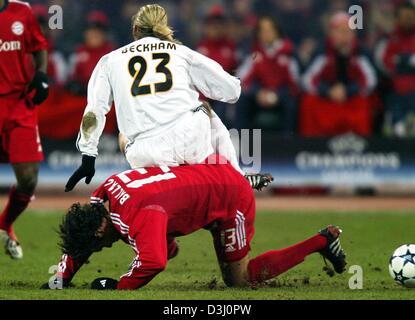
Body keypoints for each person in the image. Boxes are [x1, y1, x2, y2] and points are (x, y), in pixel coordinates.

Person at [43, 156, 346, 290]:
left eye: (96, 244)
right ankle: (237, 182)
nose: (97, 249)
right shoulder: (104, 193)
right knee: (145, 235)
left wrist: (120, 286)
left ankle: (322, 240)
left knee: (239, 279)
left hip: (230, 200)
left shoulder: (137, 215)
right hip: (208, 174)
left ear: (100, 228)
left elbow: (153, 262)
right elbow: (87, 236)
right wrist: (62, 277)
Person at [65, 4, 271, 193]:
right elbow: (232, 91)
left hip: (143, 154)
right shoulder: (180, 52)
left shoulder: (110, 60)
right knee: (204, 107)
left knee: (123, 136)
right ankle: (238, 175)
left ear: (135, 30)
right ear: (163, 28)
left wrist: (88, 156)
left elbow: (94, 112)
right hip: (187, 143)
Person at [0, 0, 49, 259]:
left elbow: (39, 47)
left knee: (29, 178)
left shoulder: (22, 11)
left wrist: (41, 75)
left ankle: (5, 223)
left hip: (19, 103)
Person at [300, 12, 377, 137]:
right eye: (340, 31)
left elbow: (370, 80)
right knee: (309, 101)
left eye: (348, 32)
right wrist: (327, 91)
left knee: (364, 101)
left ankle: (361, 141)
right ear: (332, 33)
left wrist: (348, 91)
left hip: (351, 98)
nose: (344, 36)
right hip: (327, 98)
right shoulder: (322, 51)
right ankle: (312, 143)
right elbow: (307, 79)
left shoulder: (360, 52)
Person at [236, 16, 299, 132]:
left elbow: (294, 84)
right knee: (242, 100)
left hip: (281, 95)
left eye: (269, 30)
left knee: (292, 103)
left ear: (277, 32)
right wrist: (258, 92)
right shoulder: (254, 53)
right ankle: (243, 143)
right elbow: (242, 78)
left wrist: (276, 95)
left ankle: (288, 144)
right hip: (259, 95)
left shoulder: (288, 52)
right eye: (262, 30)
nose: (266, 34)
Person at [377, 1, 415, 137]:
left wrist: (400, 60)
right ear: (397, 19)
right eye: (405, 17)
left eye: (411, 17)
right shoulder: (389, 39)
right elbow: (383, 63)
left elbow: (395, 61)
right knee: (393, 108)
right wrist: (408, 62)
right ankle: (397, 128)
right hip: (394, 88)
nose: (408, 21)